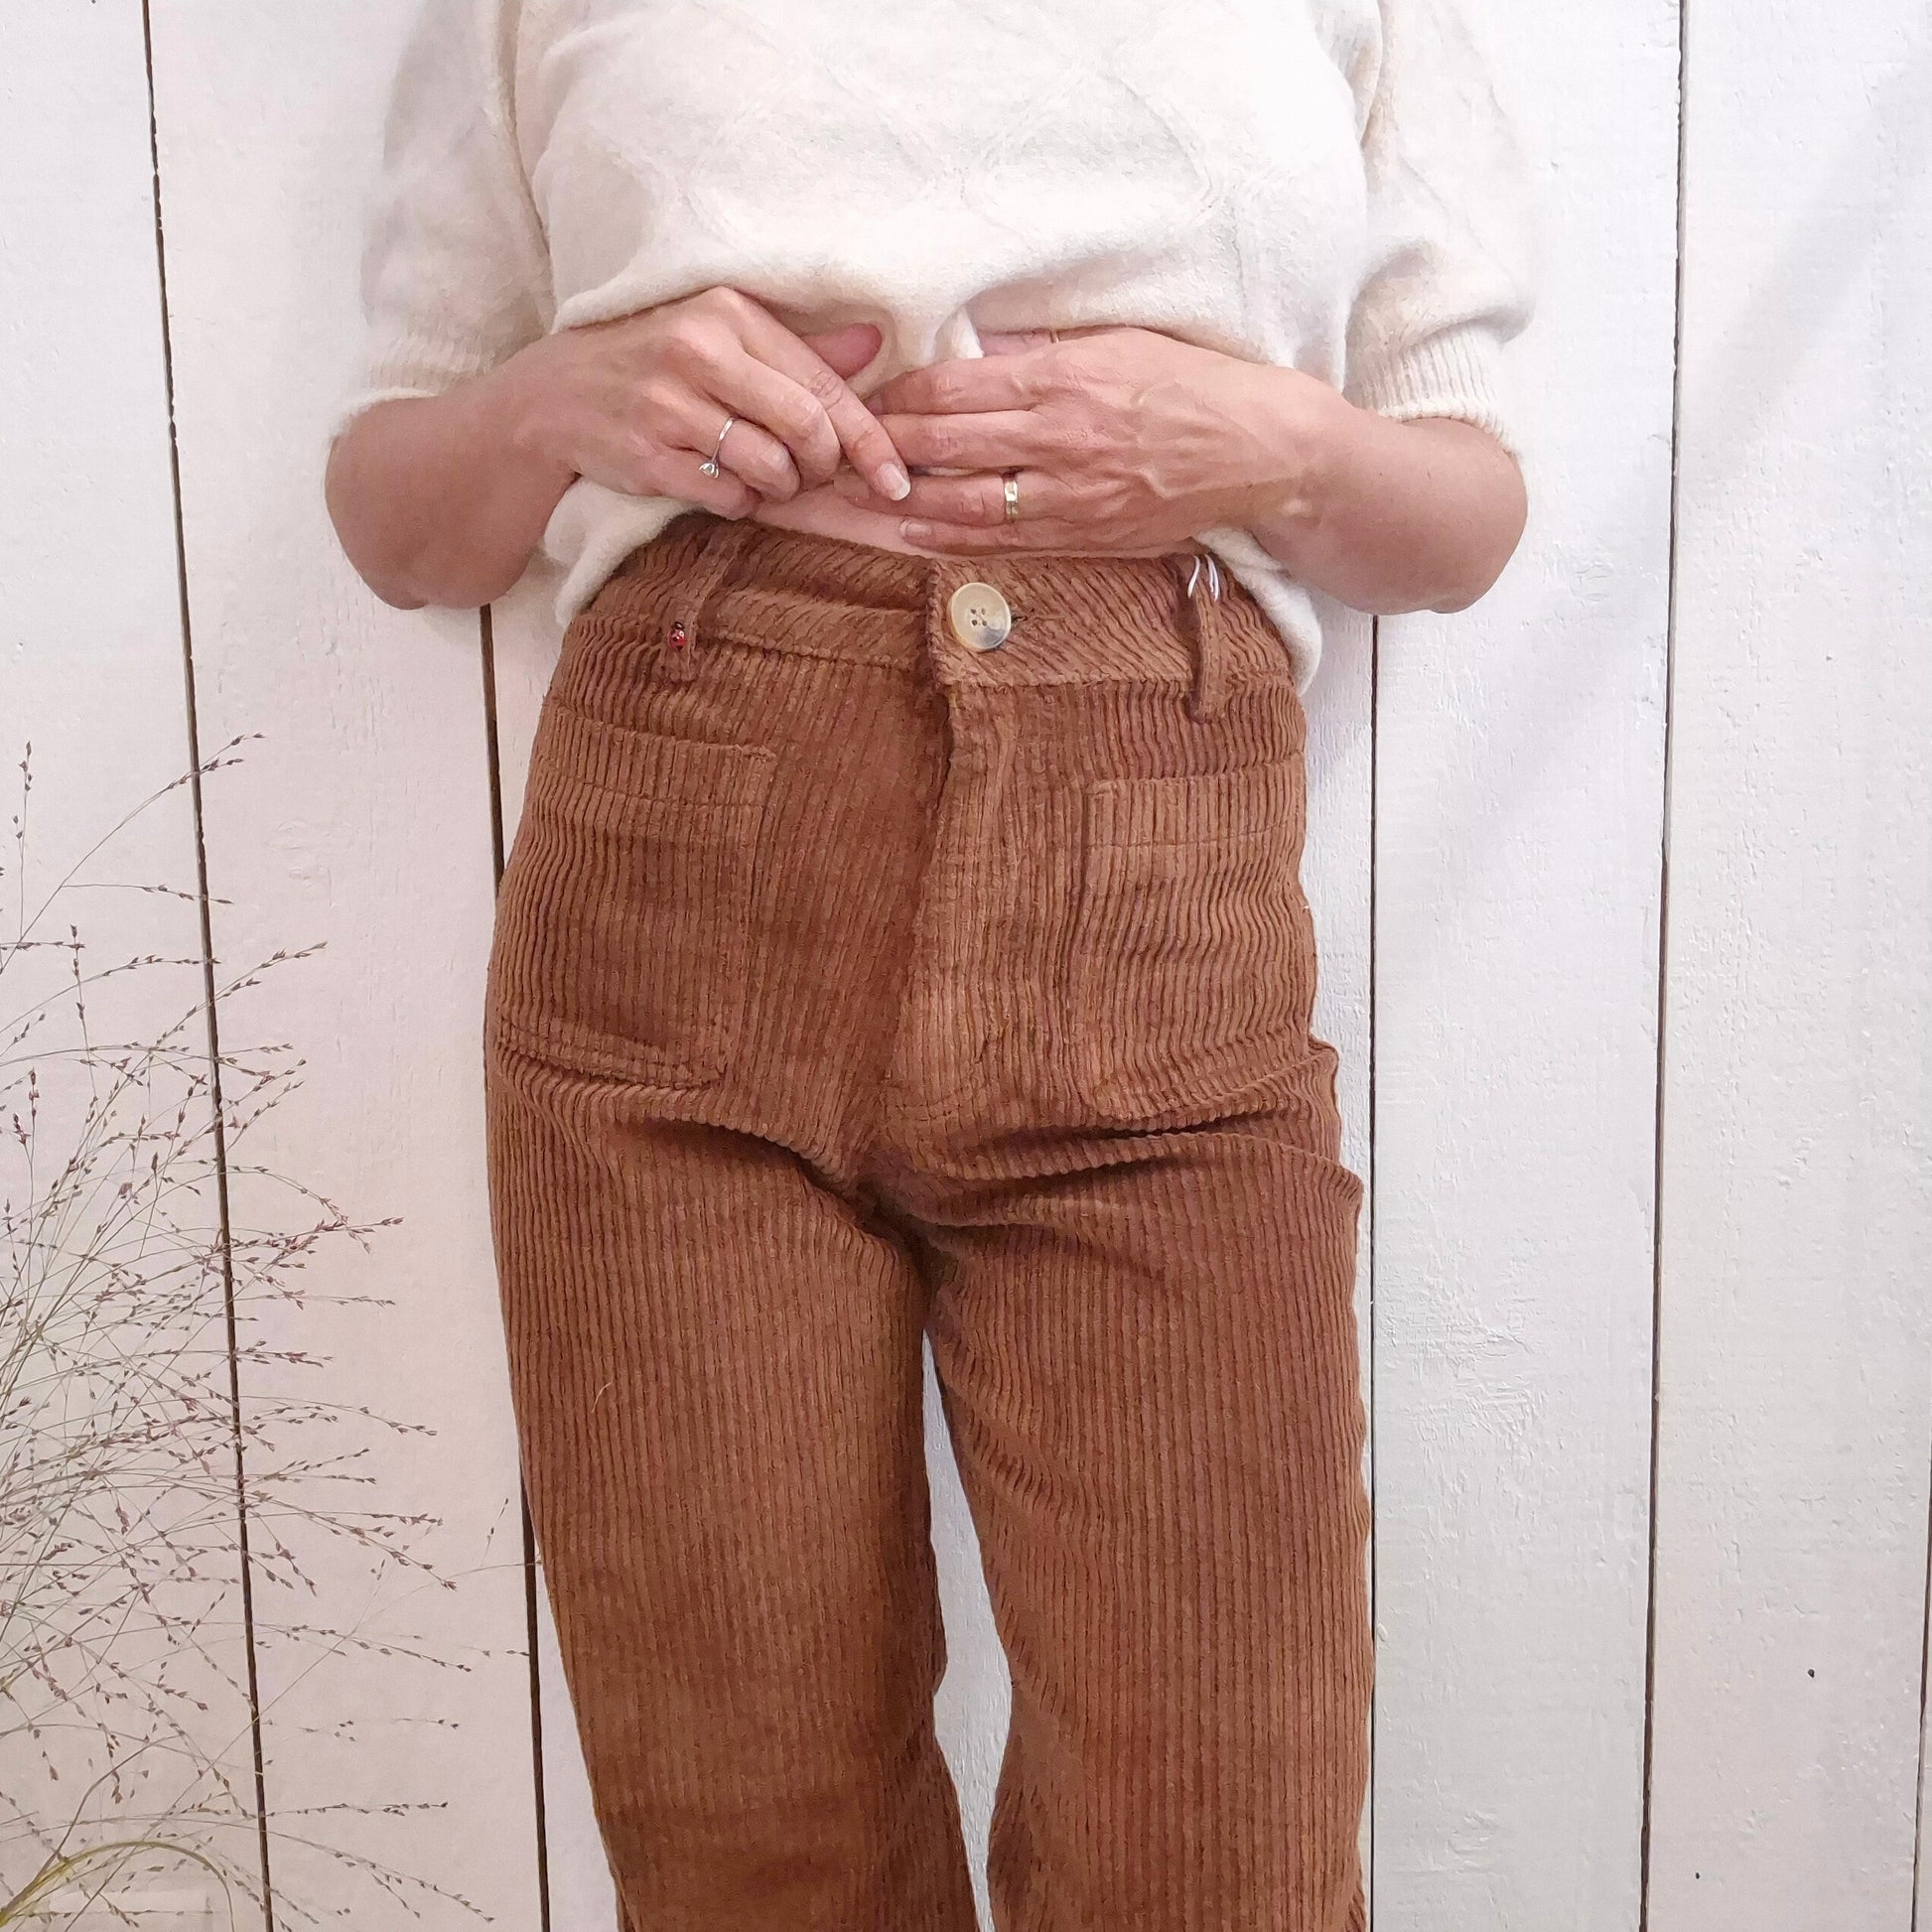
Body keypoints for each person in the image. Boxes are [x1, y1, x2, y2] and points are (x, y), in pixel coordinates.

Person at [325, 1, 1536, 1925]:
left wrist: (1269, 447)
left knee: (1220, 1848)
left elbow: (1462, 512)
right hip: (676, 908)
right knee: (754, 1854)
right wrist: (558, 401)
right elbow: (400, 517)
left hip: (1154, 920)